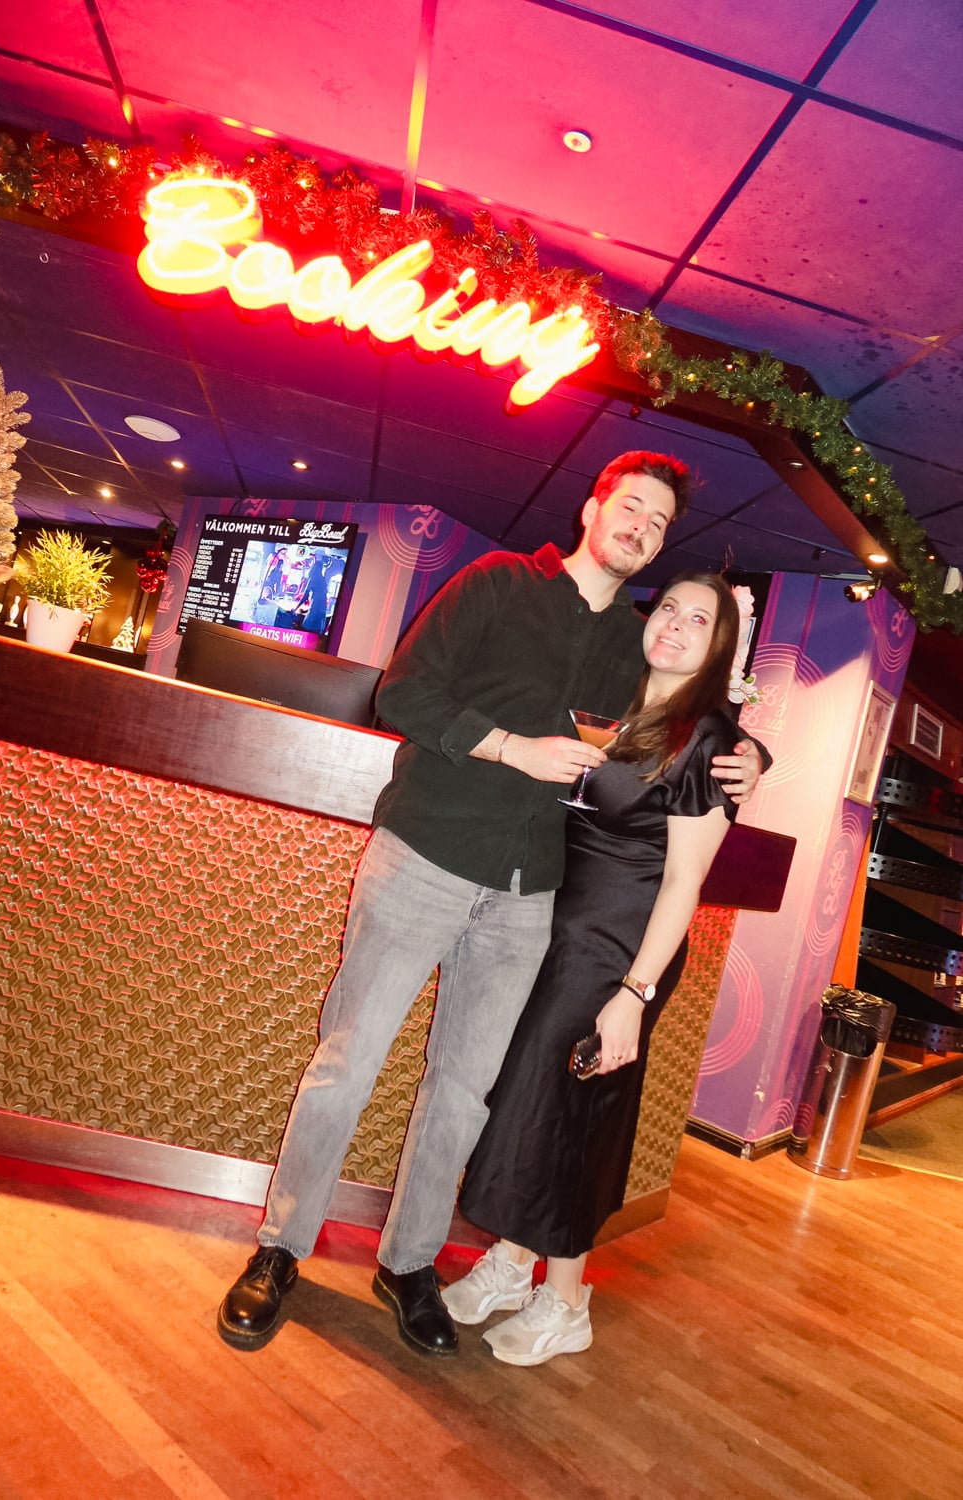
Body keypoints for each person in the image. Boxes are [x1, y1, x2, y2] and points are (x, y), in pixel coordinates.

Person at [216, 452, 764, 1359]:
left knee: (463, 1091)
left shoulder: (635, 644)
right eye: (630, 507)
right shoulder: (497, 583)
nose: (639, 529)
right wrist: (510, 747)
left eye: (658, 523)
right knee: (348, 1064)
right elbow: (402, 692)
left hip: (527, 895)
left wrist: (750, 756)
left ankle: (410, 1262)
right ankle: (280, 1249)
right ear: (593, 507)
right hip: (426, 854)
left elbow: (686, 712)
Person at [443, 572, 742, 1365]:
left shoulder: (709, 740)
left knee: (577, 1118)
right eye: (668, 607)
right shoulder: (628, 703)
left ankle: (568, 1300)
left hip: (621, 951)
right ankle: (512, 1261)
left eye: (700, 619)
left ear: (720, 645)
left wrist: (634, 994)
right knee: (531, 1102)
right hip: (561, 933)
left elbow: (684, 881)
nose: (675, 624)